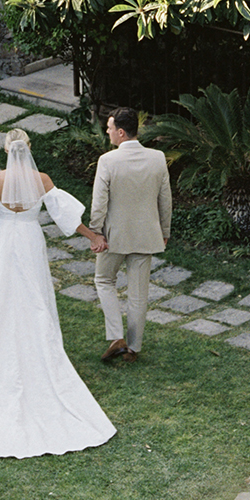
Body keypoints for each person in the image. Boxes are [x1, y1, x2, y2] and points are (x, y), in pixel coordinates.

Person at [0, 127, 117, 459]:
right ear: (29, 148)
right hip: (29, 241)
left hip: (2, 244)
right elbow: (65, 215)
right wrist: (92, 236)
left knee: (1, 299)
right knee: (34, 299)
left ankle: (1, 352)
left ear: (7, 150)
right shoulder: (42, 180)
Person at [91, 106, 173, 365]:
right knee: (139, 293)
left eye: (109, 128)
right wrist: (165, 230)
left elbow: (99, 203)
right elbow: (165, 200)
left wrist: (96, 232)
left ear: (121, 132)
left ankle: (117, 337)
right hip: (147, 233)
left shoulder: (107, 161)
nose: (107, 131)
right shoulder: (157, 158)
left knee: (104, 280)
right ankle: (133, 348)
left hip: (114, 236)